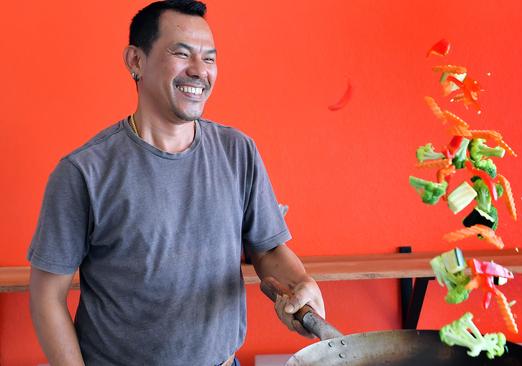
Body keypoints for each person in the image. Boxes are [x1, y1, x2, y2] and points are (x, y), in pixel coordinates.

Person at [27, 1, 324, 365]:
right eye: (181, 54)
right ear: (136, 61)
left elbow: (268, 250)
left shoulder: (238, 152)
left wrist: (301, 285)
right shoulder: (84, 172)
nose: (199, 71)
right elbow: (47, 295)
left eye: (210, 58)